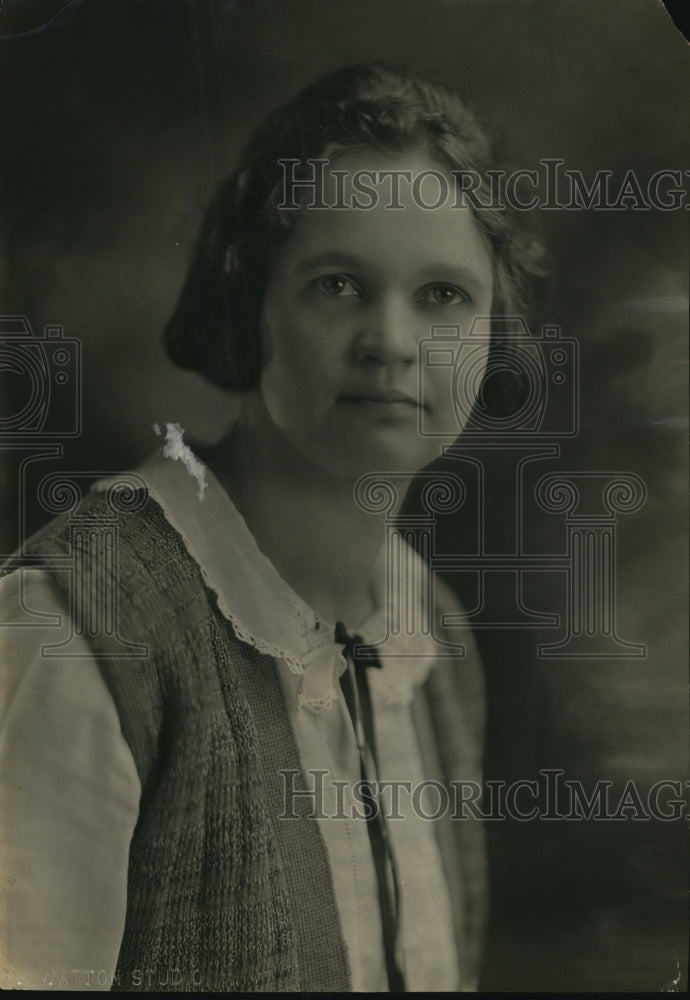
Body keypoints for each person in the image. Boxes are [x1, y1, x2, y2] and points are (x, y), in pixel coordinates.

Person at [0, 62, 543, 992]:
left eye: (444, 295)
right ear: (251, 301)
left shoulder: (433, 641)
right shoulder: (80, 630)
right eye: (338, 285)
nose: (392, 341)